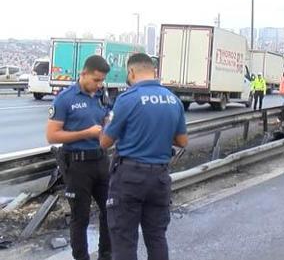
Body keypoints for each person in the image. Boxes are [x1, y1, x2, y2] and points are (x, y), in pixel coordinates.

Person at [100, 53, 188, 260]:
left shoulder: (127, 99)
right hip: (160, 178)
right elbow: (183, 141)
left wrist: (103, 126)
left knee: (124, 239)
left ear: (131, 71)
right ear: (153, 71)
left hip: (129, 178)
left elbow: (105, 143)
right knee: (157, 237)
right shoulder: (173, 100)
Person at [46, 55, 112, 260]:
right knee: (80, 217)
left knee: (110, 210)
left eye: (102, 80)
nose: (98, 84)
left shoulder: (101, 96)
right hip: (77, 164)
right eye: (95, 80)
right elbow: (52, 135)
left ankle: (106, 255)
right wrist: (86, 133)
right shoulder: (65, 99)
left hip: (101, 161)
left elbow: (103, 125)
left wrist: (108, 124)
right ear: (83, 74)